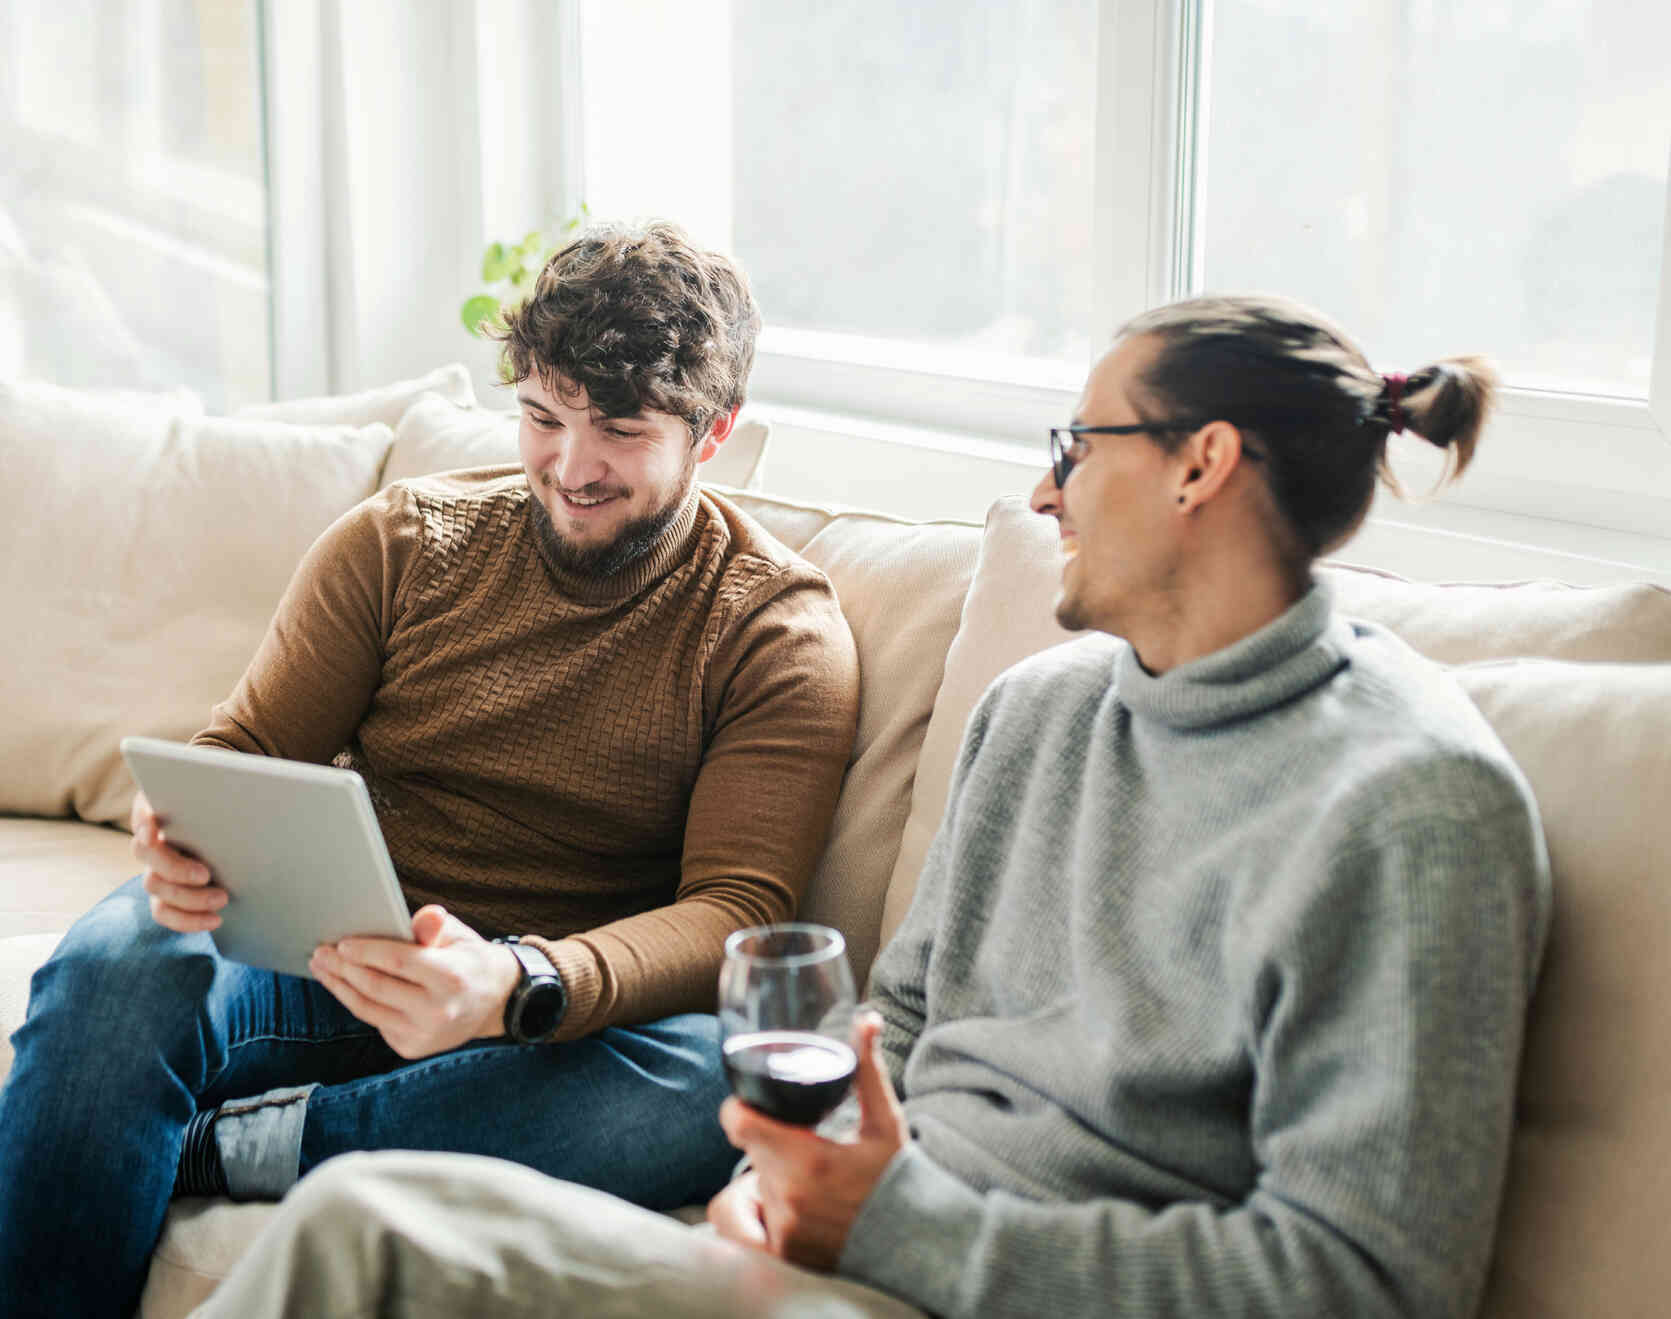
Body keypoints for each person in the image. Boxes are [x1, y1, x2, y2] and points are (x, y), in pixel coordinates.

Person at [188, 294, 1553, 1319]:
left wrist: (894, 1223)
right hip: (847, 1254)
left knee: (364, 1229)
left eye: (1075, 444)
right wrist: (771, 1187)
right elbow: (897, 1030)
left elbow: (1364, 1279)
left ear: (1198, 464)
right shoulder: (1041, 710)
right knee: (368, 1222)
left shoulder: (1407, 809)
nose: (1041, 488)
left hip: (974, 1280)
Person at [0, 220, 861, 1319]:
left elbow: (738, 909)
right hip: (329, 949)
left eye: (621, 431)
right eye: (543, 416)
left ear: (714, 431)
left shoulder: (773, 630)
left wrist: (520, 981)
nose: (572, 466)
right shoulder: (402, 542)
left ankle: (180, 1147)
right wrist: (184, 836)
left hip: (541, 1016)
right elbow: (243, 754)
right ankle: (97, 1128)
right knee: (120, 961)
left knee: (721, 1073)